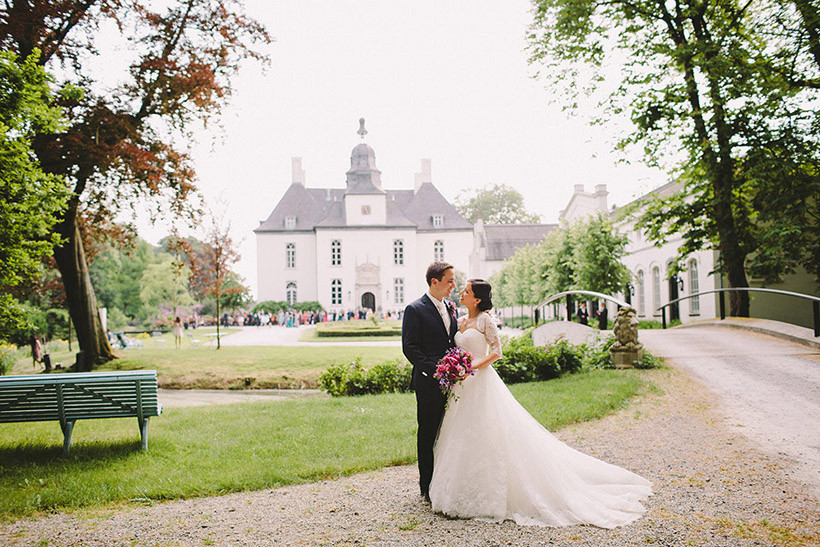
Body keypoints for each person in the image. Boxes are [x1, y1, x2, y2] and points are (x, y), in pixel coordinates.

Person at [429, 279, 652, 528]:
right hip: (463, 385)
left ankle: (491, 494)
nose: (462, 292)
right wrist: (455, 365)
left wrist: (471, 367)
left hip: (479, 380)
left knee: (488, 432)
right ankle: (458, 491)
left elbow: (496, 352)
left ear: (477, 299)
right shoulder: (461, 320)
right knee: (462, 434)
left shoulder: (485, 320)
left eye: (467, 291)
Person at [402, 261, 458, 503]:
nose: (453, 286)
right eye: (449, 281)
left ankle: (446, 483)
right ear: (434, 282)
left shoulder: (451, 307)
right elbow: (410, 348)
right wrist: (436, 370)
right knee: (428, 433)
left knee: (450, 433)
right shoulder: (414, 309)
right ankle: (426, 487)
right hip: (428, 383)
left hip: (454, 383)